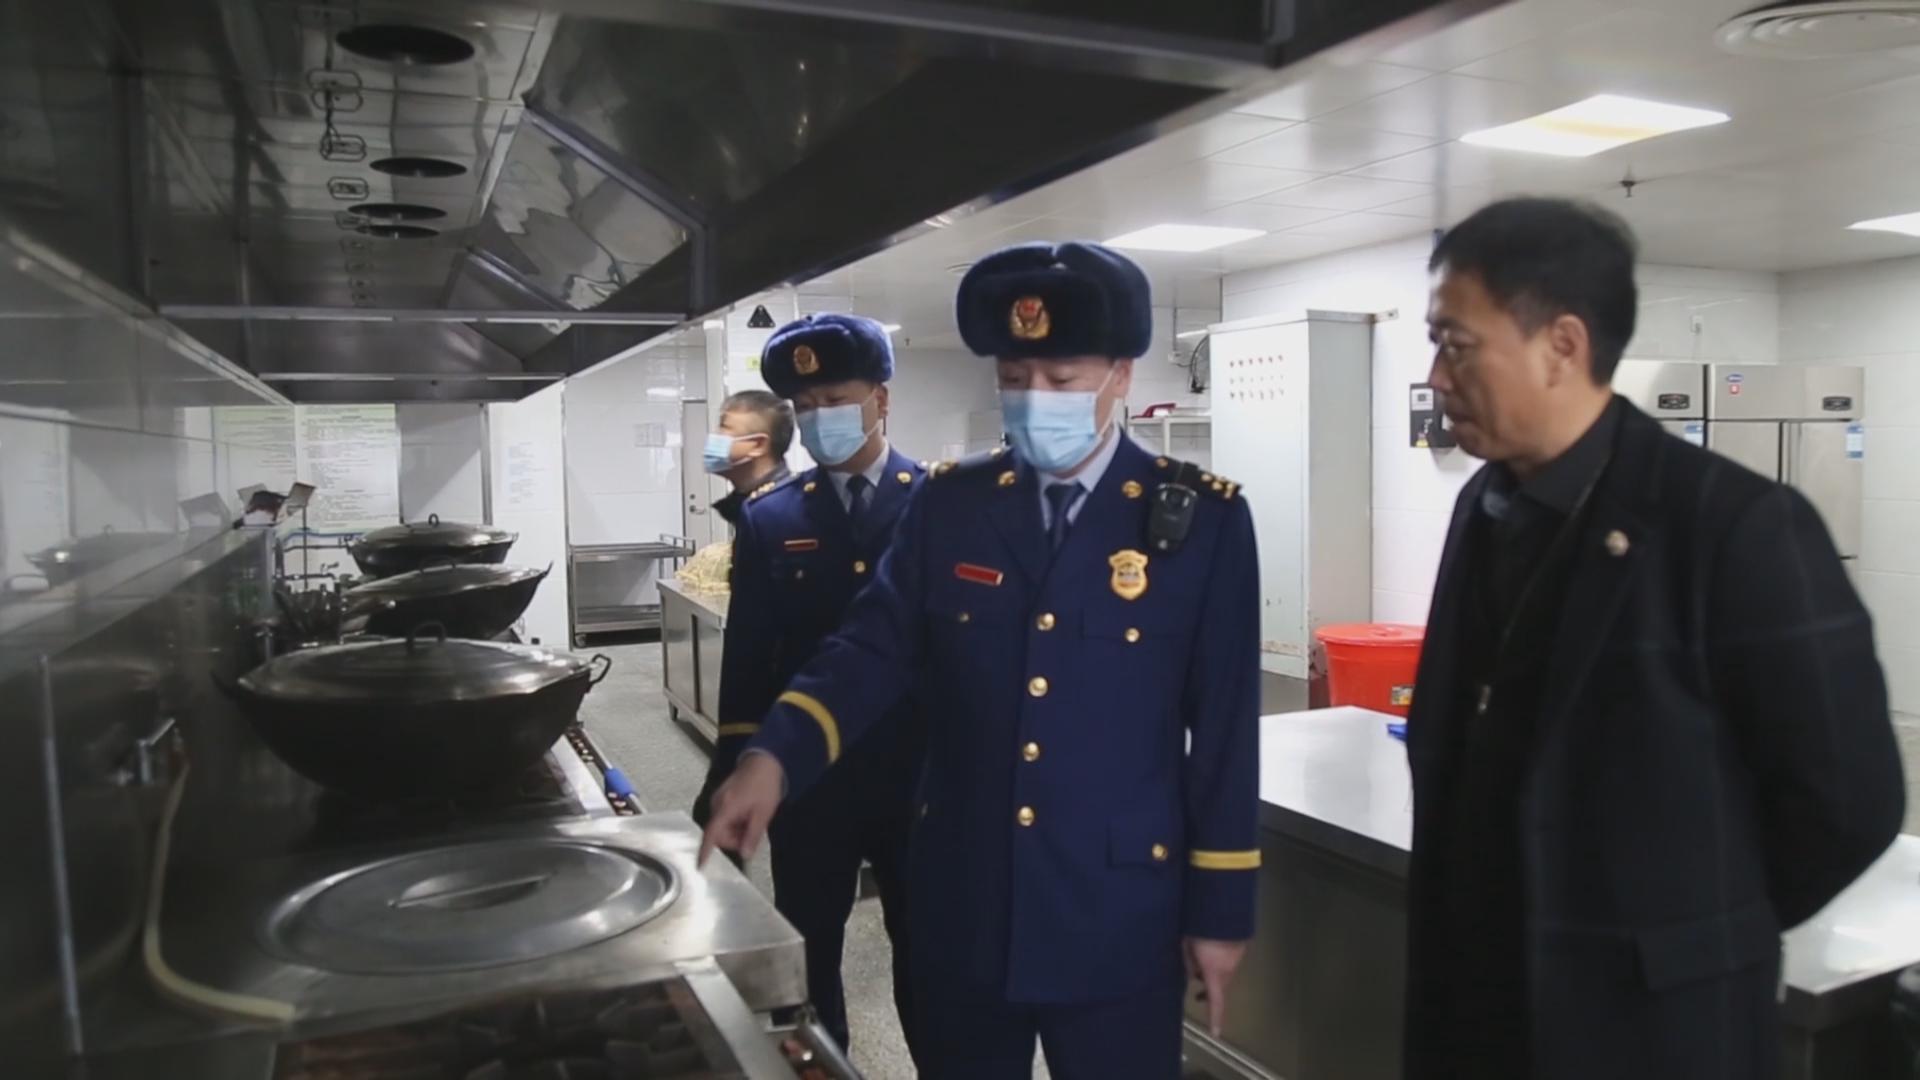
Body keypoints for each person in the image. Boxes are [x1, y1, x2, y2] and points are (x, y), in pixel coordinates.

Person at [703, 242, 1262, 1080]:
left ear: (1120, 375)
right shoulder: (951, 505)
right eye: (1014, 379)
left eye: (1062, 379)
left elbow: (1224, 736)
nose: (1035, 401)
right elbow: (870, 648)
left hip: (1115, 909)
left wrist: (1220, 911)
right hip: (965, 896)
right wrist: (774, 756)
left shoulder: (1200, 522)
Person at [1409, 196, 1906, 1080]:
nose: (1437, 376)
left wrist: (1695, 933)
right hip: (1480, 1013)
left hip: (1654, 1029)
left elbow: (1848, 802)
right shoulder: (1483, 510)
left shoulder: (1735, 527)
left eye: (1457, 343)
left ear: (1563, 345)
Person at [694, 313, 928, 1062]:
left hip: (919, 776)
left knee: (930, 956)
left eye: (836, 398)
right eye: (806, 404)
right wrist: (730, 770)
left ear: (880, 399)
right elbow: (748, 660)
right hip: (808, 780)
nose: (821, 415)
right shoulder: (772, 516)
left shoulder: (938, 503)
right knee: (808, 953)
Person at [705, 389, 795, 528]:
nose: (714, 436)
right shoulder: (749, 502)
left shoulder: (780, 512)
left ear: (758, 445)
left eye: (724, 428)